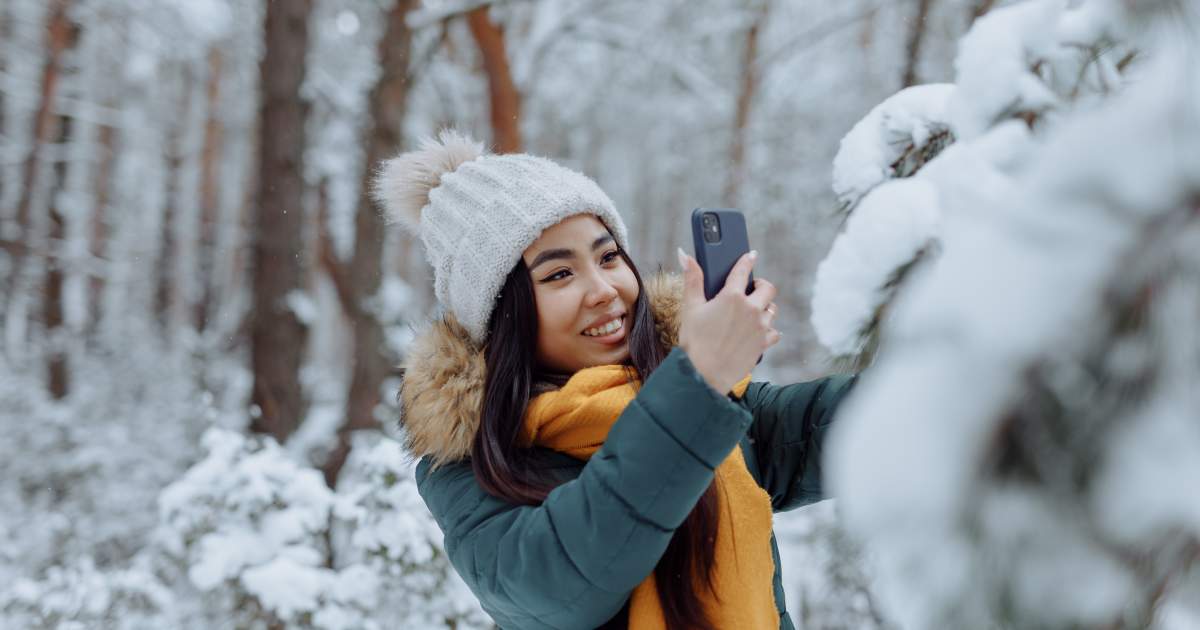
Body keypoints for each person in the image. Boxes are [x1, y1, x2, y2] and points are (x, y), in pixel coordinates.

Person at [374, 130, 856, 630]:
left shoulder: (718, 412)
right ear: (502, 316)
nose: (604, 290)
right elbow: (565, 579)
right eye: (559, 274)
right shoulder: (472, 468)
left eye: (608, 258)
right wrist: (697, 382)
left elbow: (868, 420)